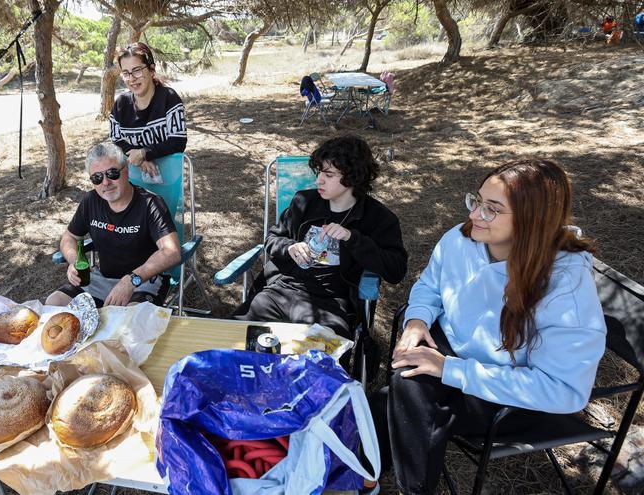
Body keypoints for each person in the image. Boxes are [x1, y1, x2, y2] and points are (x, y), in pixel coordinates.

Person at [372, 158, 606, 495]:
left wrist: (451, 369)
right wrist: (417, 320)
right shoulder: (462, 239)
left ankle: (408, 487)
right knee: (399, 389)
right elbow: (431, 284)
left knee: (408, 388)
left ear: (532, 219)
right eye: (477, 201)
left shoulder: (564, 287)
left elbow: (564, 390)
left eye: (492, 209)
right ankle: (362, 470)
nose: (474, 215)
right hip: (458, 357)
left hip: (514, 395)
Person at [233, 135, 408, 339]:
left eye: (329, 175)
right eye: (319, 172)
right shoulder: (305, 202)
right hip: (279, 291)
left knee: (322, 355)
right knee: (233, 337)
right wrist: (290, 247)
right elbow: (272, 238)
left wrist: (353, 239)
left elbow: (396, 270)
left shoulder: (377, 218)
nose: (319, 180)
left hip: (330, 303)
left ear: (352, 177)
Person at [45, 142, 181, 307]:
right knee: (54, 303)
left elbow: (171, 252)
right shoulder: (90, 201)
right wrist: (74, 260)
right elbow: (70, 236)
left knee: (129, 322)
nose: (105, 182)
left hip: (143, 280)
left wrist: (131, 280)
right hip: (102, 279)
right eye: (97, 177)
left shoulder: (150, 204)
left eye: (112, 173)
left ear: (127, 170)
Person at [109, 42, 186, 181]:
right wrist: (139, 158)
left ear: (151, 70)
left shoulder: (169, 98)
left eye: (137, 70)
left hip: (169, 181)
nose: (132, 79)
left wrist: (144, 153)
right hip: (134, 181)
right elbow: (117, 139)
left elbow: (178, 141)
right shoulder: (120, 104)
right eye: (126, 73)